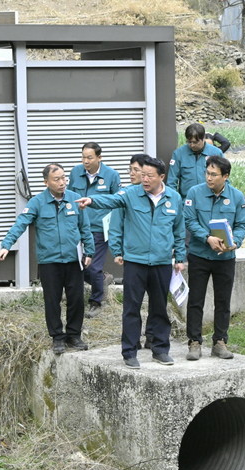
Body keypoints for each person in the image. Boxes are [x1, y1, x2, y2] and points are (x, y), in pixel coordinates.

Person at [77, 157, 186, 369]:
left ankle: (160, 349)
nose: (144, 179)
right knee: (131, 308)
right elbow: (111, 200)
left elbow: (179, 230)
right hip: (135, 261)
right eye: (142, 175)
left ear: (161, 177)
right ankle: (129, 351)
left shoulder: (174, 198)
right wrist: (92, 201)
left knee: (159, 307)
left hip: (162, 262)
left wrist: (180, 257)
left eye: (149, 176)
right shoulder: (130, 194)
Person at [0, 164, 94, 355]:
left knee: (76, 299)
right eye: (56, 179)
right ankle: (57, 337)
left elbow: (85, 227)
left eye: (63, 178)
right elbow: (21, 223)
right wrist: (7, 244)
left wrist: (89, 252)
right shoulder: (37, 202)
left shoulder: (75, 198)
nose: (62, 182)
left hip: (73, 259)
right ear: (46, 182)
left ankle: (74, 335)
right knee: (52, 300)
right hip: (49, 261)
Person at [183, 156, 245, 361]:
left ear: (225, 176)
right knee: (196, 300)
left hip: (225, 258)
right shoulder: (194, 193)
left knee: (223, 301)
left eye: (214, 174)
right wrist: (207, 238)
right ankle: (194, 342)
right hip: (199, 255)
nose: (209, 178)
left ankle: (220, 341)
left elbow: (242, 225)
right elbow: (189, 220)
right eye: (207, 173)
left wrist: (235, 242)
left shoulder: (237, 197)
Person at [67, 142, 121, 319]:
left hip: (99, 228)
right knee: (78, 265)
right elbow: (69, 197)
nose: (85, 161)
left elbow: (118, 202)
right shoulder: (75, 172)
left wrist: (115, 228)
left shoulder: (112, 175)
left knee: (93, 267)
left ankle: (96, 301)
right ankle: (103, 279)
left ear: (99, 157)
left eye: (89, 157)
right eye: (83, 157)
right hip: (78, 227)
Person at [108, 154, 153, 350]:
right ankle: (132, 341)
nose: (131, 174)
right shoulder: (125, 194)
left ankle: (152, 337)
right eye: (130, 170)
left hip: (156, 258)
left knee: (157, 302)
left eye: (136, 170)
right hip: (133, 256)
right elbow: (115, 225)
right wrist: (117, 250)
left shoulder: (160, 194)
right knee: (133, 302)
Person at [168, 123, 223, 198]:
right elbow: (171, 181)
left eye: (195, 142)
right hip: (187, 200)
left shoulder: (216, 153)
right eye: (189, 142)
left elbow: (224, 179)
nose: (192, 145)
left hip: (211, 199)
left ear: (203, 138)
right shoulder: (178, 154)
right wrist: (174, 199)